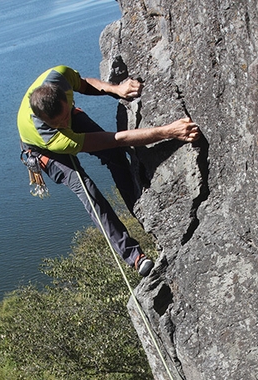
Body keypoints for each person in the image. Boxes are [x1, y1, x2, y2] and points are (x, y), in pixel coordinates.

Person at [17, 65, 200, 276]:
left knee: (116, 159)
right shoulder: (53, 136)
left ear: (63, 96)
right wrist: (169, 131)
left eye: (66, 116)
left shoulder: (59, 75)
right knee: (85, 188)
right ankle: (133, 256)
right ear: (47, 121)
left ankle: (142, 214)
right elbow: (115, 139)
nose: (66, 123)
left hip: (59, 119)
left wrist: (116, 89)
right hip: (42, 149)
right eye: (59, 123)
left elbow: (85, 84)